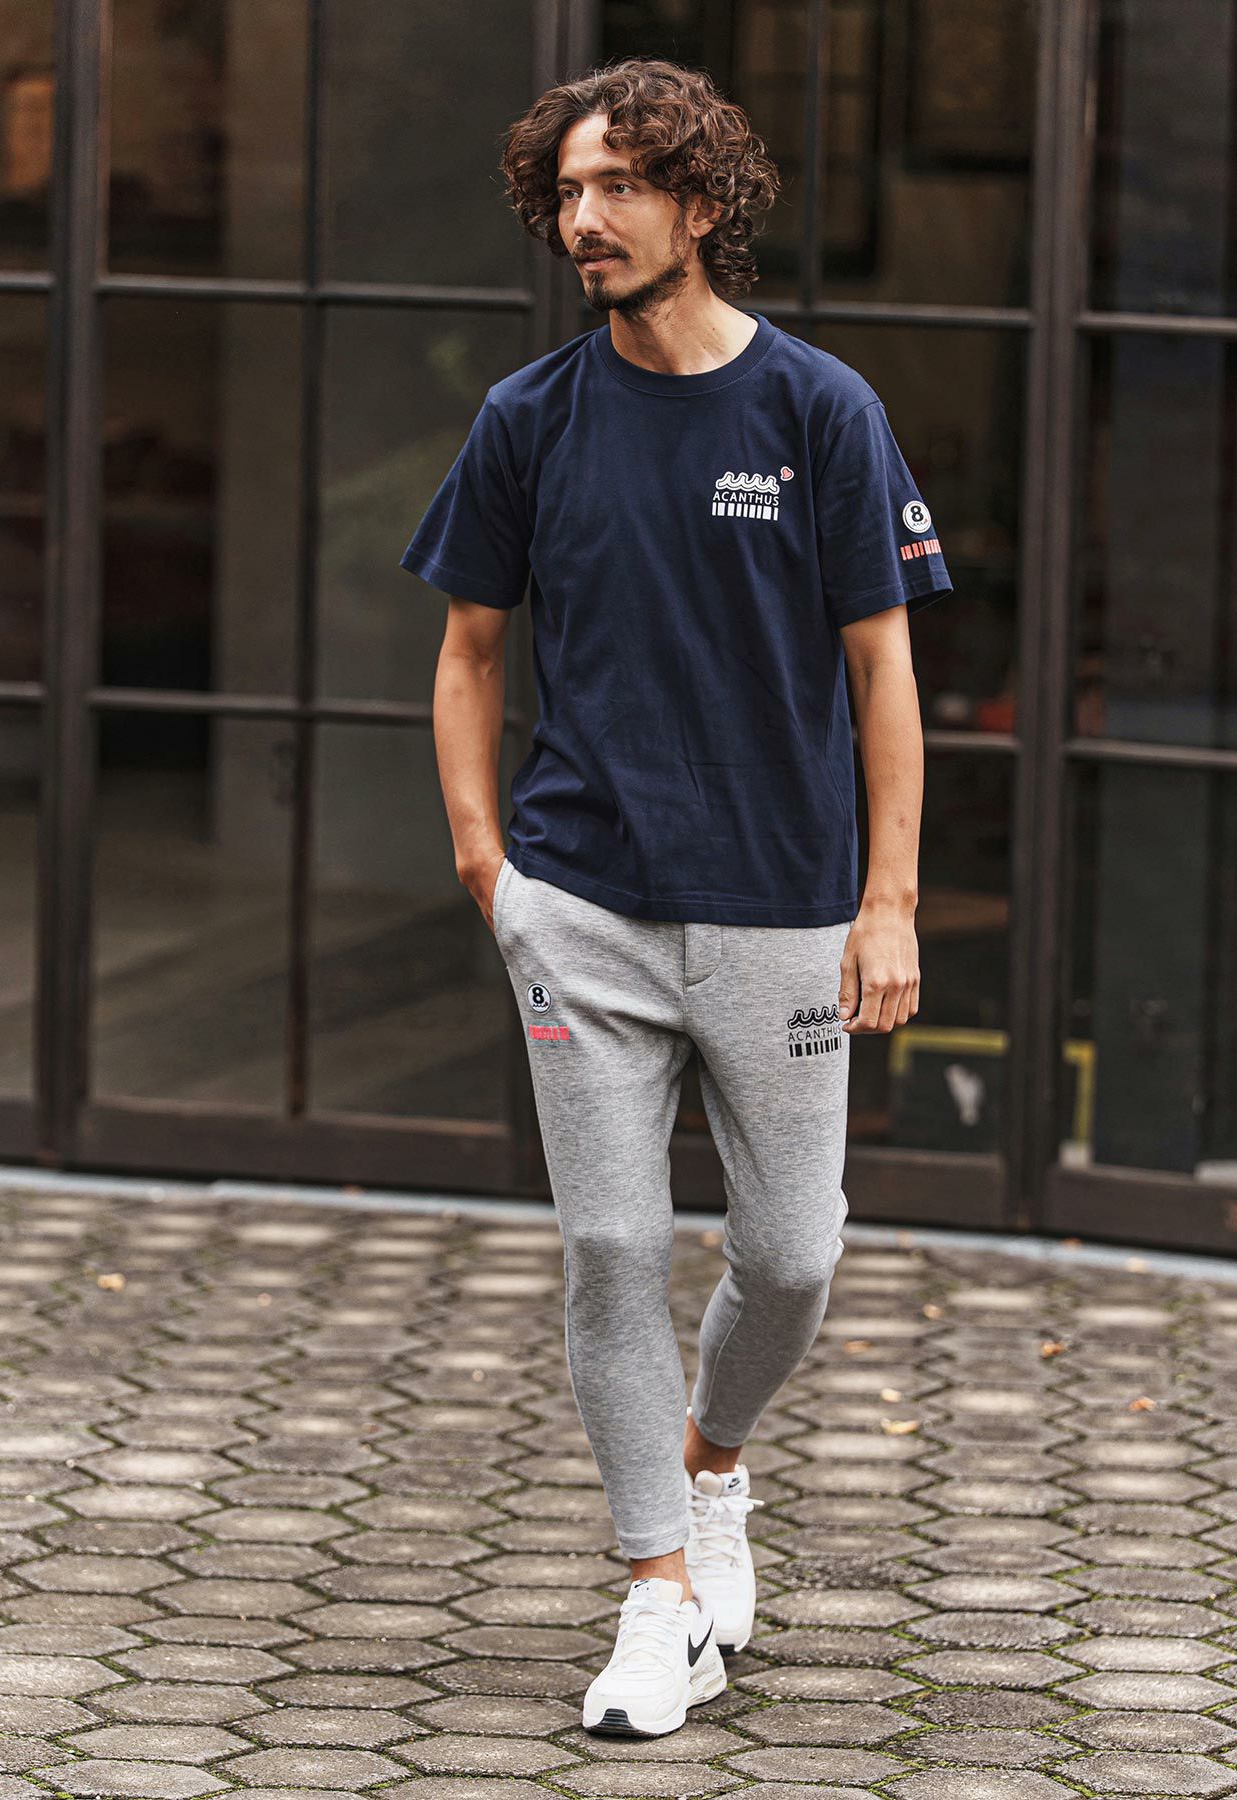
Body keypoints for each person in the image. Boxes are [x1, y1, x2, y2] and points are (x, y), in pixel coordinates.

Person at [399, 55, 953, 1739]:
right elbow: (468, 655)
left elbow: (884, 675)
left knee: (790, 1256)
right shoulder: (531, 419)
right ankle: (656, 1592)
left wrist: (889, 903)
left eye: (621, 187)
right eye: (568, 192)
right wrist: (488, 866)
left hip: (783, 908)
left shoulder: (820, 413)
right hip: (583, 906)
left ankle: (714, 1468)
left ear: (702, 205)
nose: (586, 219)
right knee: (612, 1246)